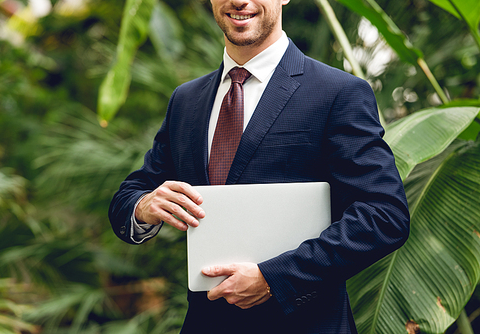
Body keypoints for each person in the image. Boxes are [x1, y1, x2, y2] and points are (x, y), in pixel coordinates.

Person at [109, 0, 410, 332]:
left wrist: (274, 277)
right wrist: (143, 206)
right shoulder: (186, 100)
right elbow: (129, 197)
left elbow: (384, 215)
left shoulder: (338, 92)